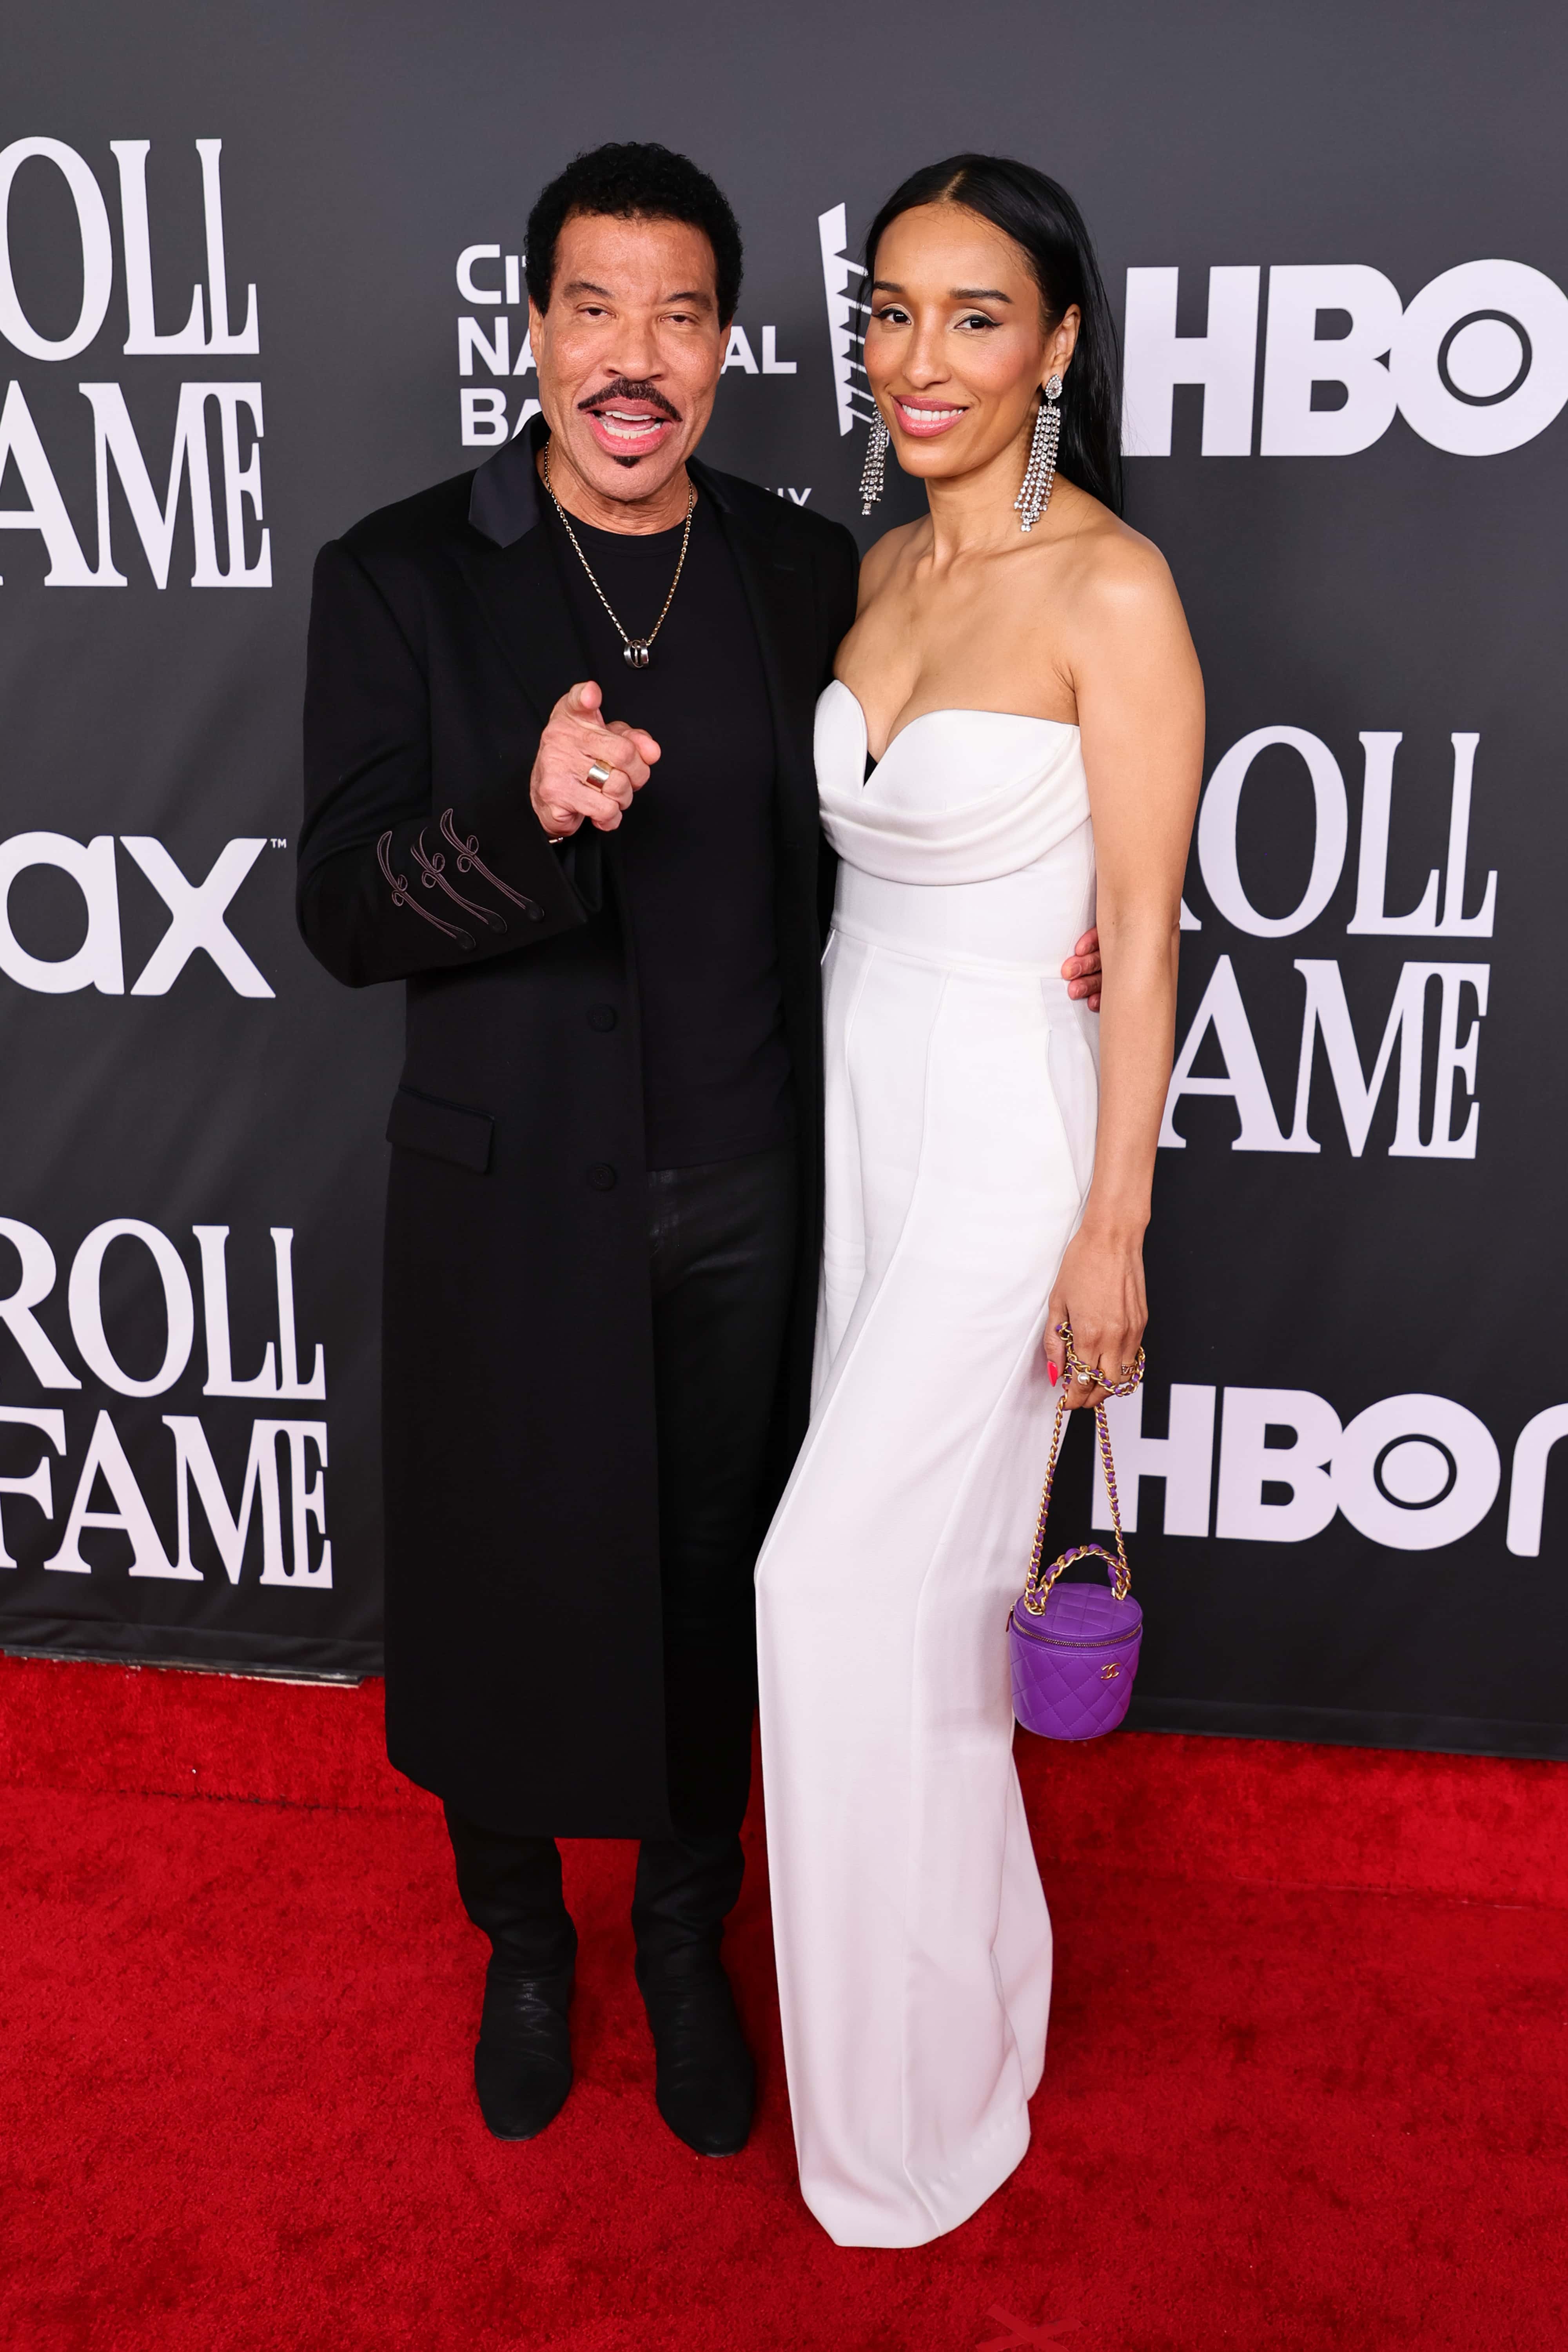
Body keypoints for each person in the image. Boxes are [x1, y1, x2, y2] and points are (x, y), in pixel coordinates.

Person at [299, 136, 1109, 2160]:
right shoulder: (401, 573)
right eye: (595, 308)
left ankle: (681, 1940)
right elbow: (340, 913)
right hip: (505, 1194)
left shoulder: (795, 564)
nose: (634, 357)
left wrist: (1062, 921)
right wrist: (523, 815)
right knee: (500, 1583)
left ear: (727, 345)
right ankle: (523, 1944)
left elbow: (920, 787)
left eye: (678, 315)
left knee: (710, 1591)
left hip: (757, 1192)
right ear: (534, 330)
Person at [755, 155, 1203, 2246]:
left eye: (976, 314)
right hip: (857, 1110)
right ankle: (967, 2023)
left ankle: (914, 2112)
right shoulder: (877, 568)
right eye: (892, 310)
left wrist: (1114, 1226)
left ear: (1061, 343)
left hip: (1010, 1146)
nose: (920, 357)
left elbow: (1145, 929)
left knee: (825, 1595)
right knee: (916, 1623)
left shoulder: (1115, 588)